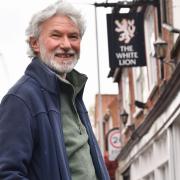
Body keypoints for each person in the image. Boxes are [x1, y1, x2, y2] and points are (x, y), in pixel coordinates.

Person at [0, 1, 110, 180]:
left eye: (73, 36)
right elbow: (7, 174)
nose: (66, 44)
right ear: (35, 44)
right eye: (56, 35)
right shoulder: (20, 99)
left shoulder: (73, 93)